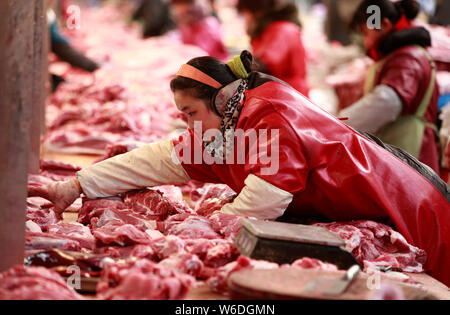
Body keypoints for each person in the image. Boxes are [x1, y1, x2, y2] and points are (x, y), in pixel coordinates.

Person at [31, 51, 450, 286]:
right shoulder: (233, 120)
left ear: (218, 98)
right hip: (386, 204)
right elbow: (168, 157)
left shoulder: (269, 115)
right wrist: (76, 184)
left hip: (411, 212)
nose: (187, 125)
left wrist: (194, 235)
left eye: (190, 112)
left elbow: (263, 201)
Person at [338, 0, 440, 173]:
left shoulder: (409, 56)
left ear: (383, 24)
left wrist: (338, 122)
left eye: (364, 31)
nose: (363, 39)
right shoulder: (395, 56)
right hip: (400, 154)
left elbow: (388, 101)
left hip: (414, 156)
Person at [236, 0, 309, 97]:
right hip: (282, 95)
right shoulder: (271, 29)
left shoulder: (281, 29)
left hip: (289, 98)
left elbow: (265, 64)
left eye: (245, 15)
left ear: (257, 13)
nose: (245, 21)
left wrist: (231, 69)